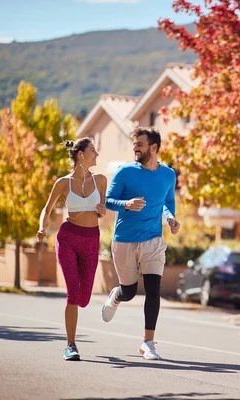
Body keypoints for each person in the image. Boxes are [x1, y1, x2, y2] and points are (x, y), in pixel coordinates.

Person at [101, 126, 180, 360]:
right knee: (130, 292)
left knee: (153, 291)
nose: (135, 148)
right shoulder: (125, 172)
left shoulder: (168, 174)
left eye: (140, 144)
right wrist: (125, 204)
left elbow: (168, 200)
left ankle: (148, 343)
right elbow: (107, 201)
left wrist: (170, 217)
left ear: (153, 148)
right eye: (134, 144)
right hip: (125, 239)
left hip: (153, 239)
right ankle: (117, 295)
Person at [36, 138, 107, 361]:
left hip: (91, 240)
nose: (97, 154)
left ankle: (72, 339)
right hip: (68, 238)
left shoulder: (101, 180)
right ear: (80, 155)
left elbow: (102, 211)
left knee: (84, 298)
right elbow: (46, 210)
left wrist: (102, 211)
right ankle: (71, 345)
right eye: (93, 150)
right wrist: (41, 228)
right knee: (73, 293)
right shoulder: (63, 183)